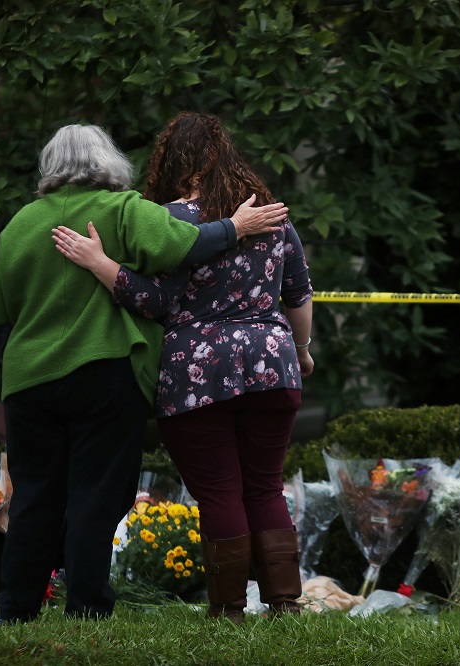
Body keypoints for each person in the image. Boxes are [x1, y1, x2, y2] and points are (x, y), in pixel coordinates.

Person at [0, 123, 289, 624]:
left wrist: (25, 361)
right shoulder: (121, 210)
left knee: (34, 496)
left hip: (29, 383)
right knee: (97, 496)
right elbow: (187, 244)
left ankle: (14, 609)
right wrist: (238, 227)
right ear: (108, 163)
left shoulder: (18, 226)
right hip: (105, 377)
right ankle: (85, 608)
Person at [51, 112, 314, 622]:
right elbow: (299, 295)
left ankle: (230, 610)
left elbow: (153, 302)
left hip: (198, 374)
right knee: (264, 484)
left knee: (218, 489)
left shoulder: (167, 221)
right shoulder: (272, 216)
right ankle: (285, 603)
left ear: (169, 164)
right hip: (272, 363)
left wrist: (101, 264)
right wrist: (301, 351)